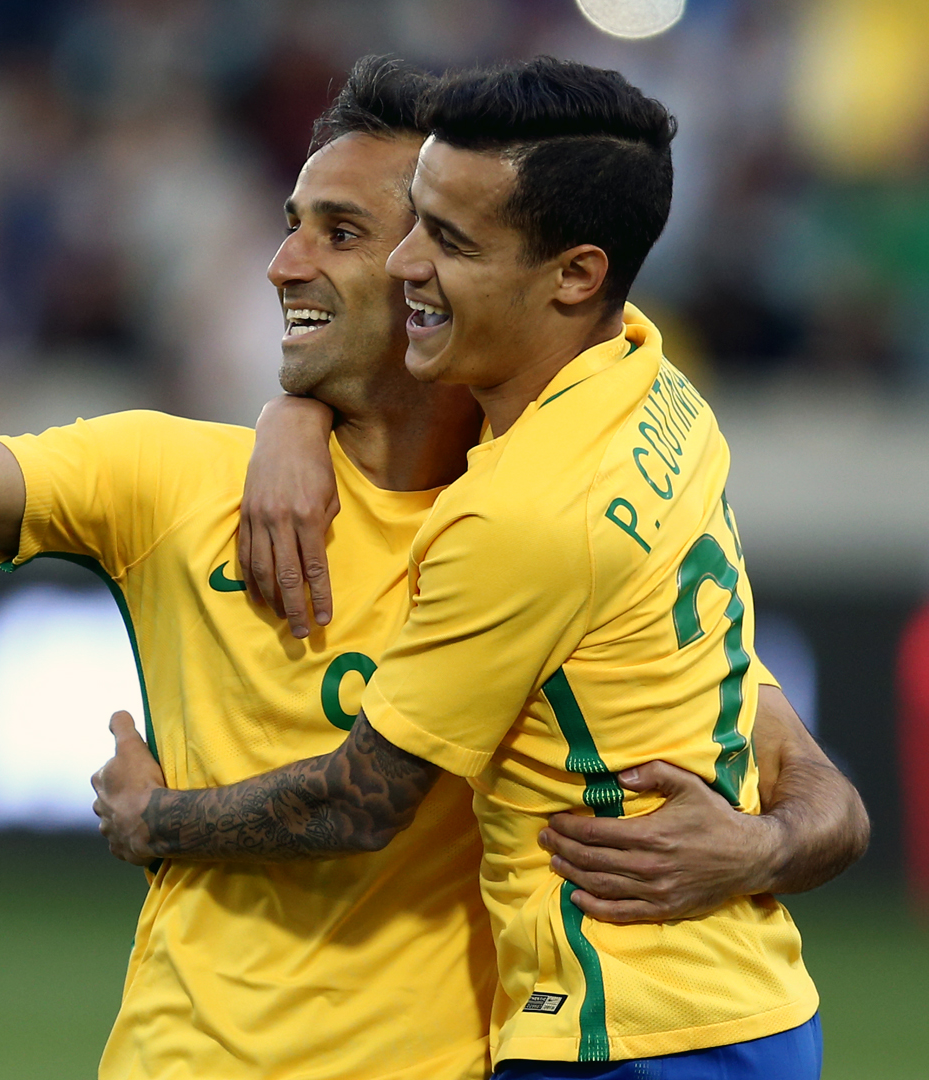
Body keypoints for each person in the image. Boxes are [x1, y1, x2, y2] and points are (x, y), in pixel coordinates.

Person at [0, 57, 862, 1080]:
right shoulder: (172, 476)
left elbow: (762, 755)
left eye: (351, 231)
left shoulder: (529, 518)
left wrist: (762, 839)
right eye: (293, 219)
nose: (277, 264)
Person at [90, 58, 868, 1079]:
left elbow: (361, 798)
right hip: (753, 1003)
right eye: (412, 225)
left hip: (613, 1026)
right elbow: (819, 787)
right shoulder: (650, 382)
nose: (406, 265)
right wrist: (299, 410)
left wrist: (157, 819)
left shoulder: (522, 515)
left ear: (576, 274)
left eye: (450, 241)